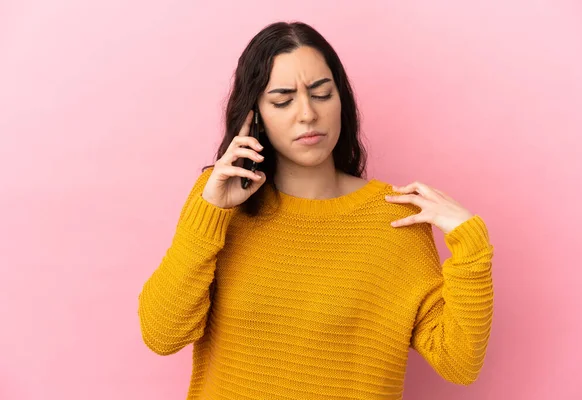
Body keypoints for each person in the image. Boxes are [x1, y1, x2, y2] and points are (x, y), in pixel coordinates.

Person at [138, 21, 494, 400]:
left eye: (322, 95)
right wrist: (209, 212)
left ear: (342, 101)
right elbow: (162, 335)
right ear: (254, 114)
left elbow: (459, 363)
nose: (307, 114)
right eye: (282, 100)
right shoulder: (219, 203)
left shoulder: (394, 219)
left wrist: (470, 242)